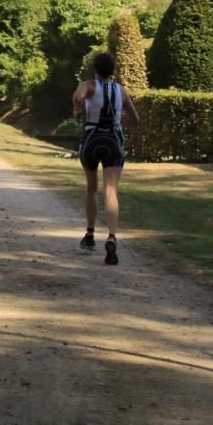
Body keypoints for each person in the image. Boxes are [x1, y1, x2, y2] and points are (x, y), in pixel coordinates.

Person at [71, 52, 139, 265]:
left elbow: (78, 97)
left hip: (92, 138)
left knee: (92, 188)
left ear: (95, 69)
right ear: (113, 70)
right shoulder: (122, 90)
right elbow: (135, 120)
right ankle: (111, 236)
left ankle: (90, 235)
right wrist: (117, 117)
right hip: (113, 140)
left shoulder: (89, 85)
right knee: (111, 190)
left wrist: (77, 111)